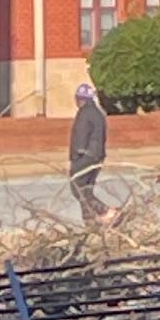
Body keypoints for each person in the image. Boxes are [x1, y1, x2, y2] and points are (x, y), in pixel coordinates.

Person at [68, 76, 109, 226]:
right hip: (97, 156)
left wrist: (76, 157)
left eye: (77, 98)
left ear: (81, 99)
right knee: (86, 190)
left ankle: (106, 212)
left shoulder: (85, 113)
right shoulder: (98, 113)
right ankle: (90, 221)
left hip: (86, 156)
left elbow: (81, 135)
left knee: (77, 187)